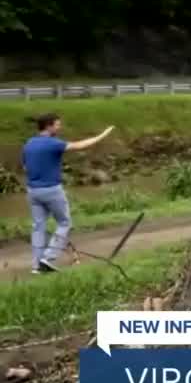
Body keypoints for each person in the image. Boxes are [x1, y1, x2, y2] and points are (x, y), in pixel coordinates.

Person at [22, 114, 114, 273]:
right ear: (48, 126)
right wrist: (103, 135)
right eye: (57, 125)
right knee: (64, 223)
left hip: (32, 191)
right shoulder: (53, 143)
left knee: (38, 226)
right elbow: (81, 145)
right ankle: (48, 258)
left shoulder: (29, 144)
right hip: (51, 189)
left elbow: (25, 167)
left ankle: (36, 266)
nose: (59, 127)